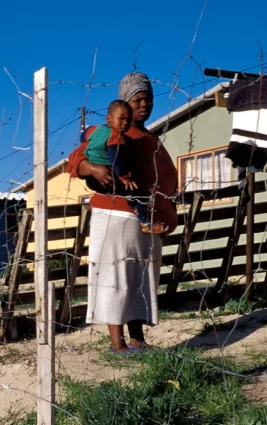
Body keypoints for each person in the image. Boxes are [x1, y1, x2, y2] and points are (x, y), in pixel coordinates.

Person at [68, 72, 179, 354]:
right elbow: (76, 159)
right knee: (115, 279)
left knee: (138, 281)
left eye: (148, 99)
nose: (144, 104)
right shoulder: (112, 132)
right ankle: (117, 346)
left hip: (145, 220)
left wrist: (166, 215)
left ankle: (137, 342)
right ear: (126, 101)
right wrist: (92, 168)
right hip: (115, 215)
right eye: (138, 99)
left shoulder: (150, 137)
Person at [81, 99, 167, 234]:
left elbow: (83, 135)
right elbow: (116, 159)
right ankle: (146, 222)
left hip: (92, 178)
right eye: (121, 119)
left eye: (127, 119)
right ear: (109, 118)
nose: (125, 123)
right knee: (135, 192)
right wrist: (124, 178)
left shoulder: (94, 130)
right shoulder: (116, 136)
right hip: (109, 176)